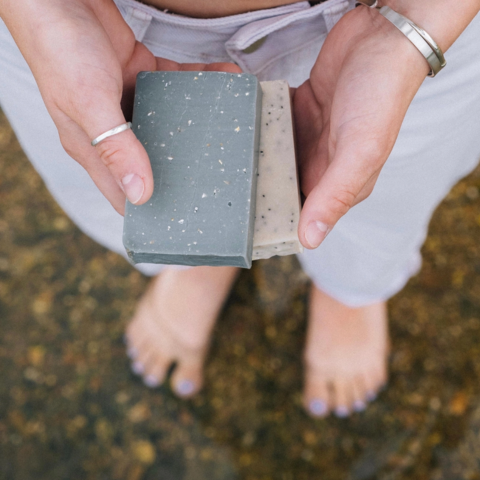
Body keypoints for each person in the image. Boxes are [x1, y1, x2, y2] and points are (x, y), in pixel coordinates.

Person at [0, 0, 479, 418]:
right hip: (81, 22)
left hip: (390, 20)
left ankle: (349, 290)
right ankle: (203, 253)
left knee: (382, 192)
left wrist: (417, 21)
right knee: (135, 192)